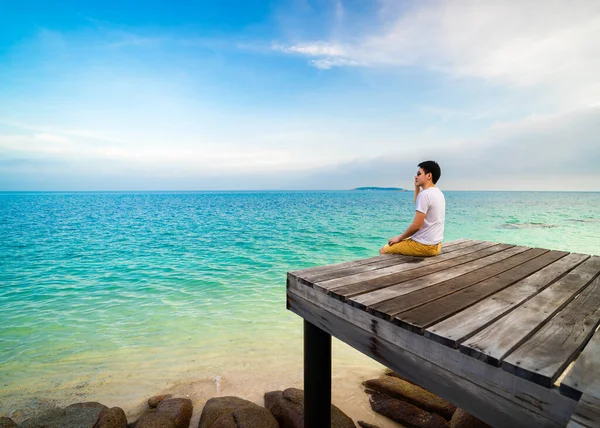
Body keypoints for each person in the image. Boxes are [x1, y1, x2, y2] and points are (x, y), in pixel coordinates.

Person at [380, 160, 445, 257]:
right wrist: (417, 187)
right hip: (436, 245)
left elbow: (416, 226)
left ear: (429, 176)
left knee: (384, 250)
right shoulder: (438, 193)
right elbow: (419, 205)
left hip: (423, 246)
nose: (416, 176)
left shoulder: (425, 195)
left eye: (419, 173)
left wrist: (399, 238)